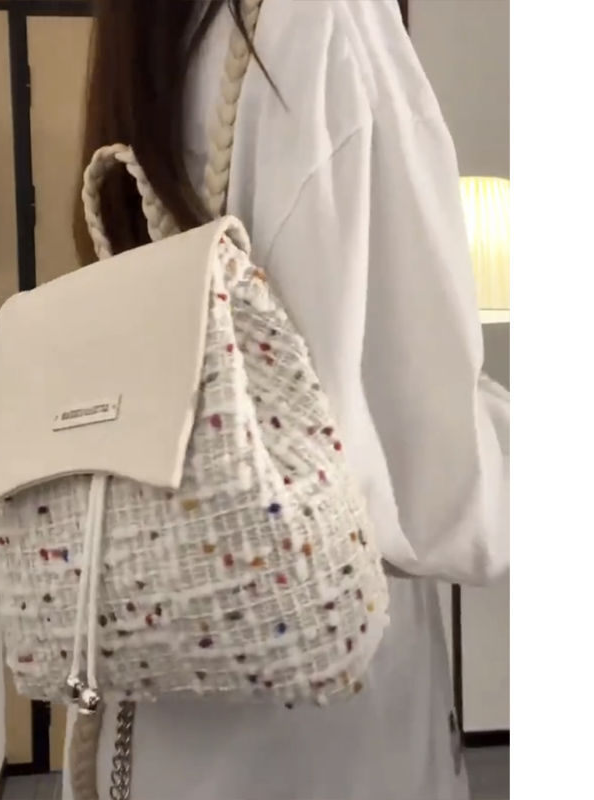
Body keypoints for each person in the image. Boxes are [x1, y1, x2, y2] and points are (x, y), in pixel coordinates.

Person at [64, 1, 510, 799]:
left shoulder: (150, 32)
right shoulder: (325, 22)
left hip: (149, 720)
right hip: (313, 735)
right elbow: (433, 480)